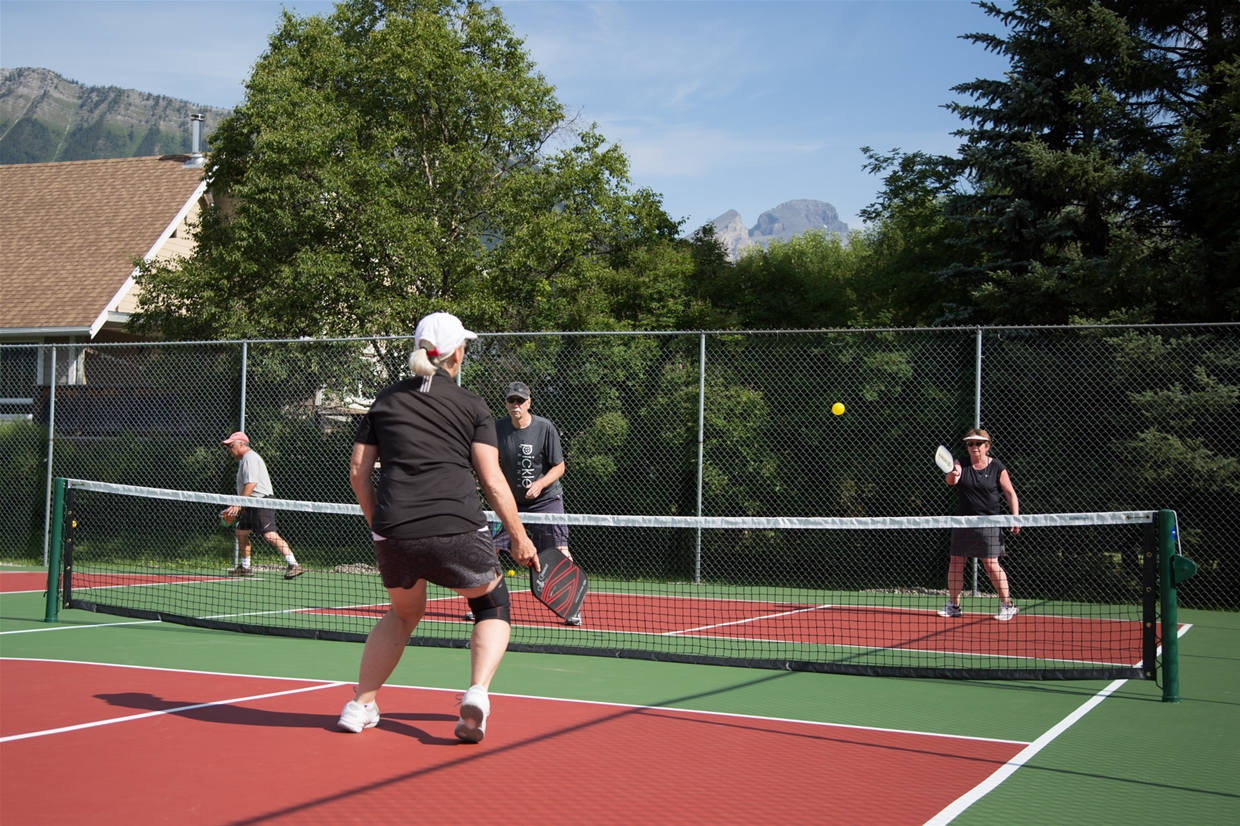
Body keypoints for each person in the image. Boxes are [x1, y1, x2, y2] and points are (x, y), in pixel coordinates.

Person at [338, 312, 537, 744]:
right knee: (492, 606)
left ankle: (360, 705)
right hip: (458, 525)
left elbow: (357, 471)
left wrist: (379, 526)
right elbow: (492, 480)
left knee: (403, 613)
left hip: (394, 530)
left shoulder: (385, 401)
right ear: (457, 354)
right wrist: (520, 537)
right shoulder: (473, 405)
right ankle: (478, 693)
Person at [475, 379, 578, 626]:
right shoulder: (497, 429)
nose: (516, 404)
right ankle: (483, 604)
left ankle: (571, 608)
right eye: (512, 400)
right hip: (510, 502)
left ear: (529, 402)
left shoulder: (545, 428)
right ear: (506, 404)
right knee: (490, 548)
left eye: (520, 400)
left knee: (560, 550)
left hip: (547, 500)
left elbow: (559, 466)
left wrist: (540, 484)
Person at [938, 428, 1021, 621]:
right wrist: (953, 473)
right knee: (956, 562)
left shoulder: (997, 467)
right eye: (970, 443)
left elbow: (1010, 492)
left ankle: (1007, 605)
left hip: (990, 521)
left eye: (978, 443)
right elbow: (951, 481)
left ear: (987, 446)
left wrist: (1016, 517)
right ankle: (954, 606)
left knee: (991, 564)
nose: (974, 446)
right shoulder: (960, 463)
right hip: (963, 522)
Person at [221, 432, 304, 579]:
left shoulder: (250, 458)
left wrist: (238, 503)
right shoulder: (245, 460)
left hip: (262, 502)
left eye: (231, 445)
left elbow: (251, 484)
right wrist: (242, 505)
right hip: (250, 503)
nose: (229, 449)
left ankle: (294, 564)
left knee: (270, 535)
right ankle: (245, 567)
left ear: (241, 444)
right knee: (241, 533)